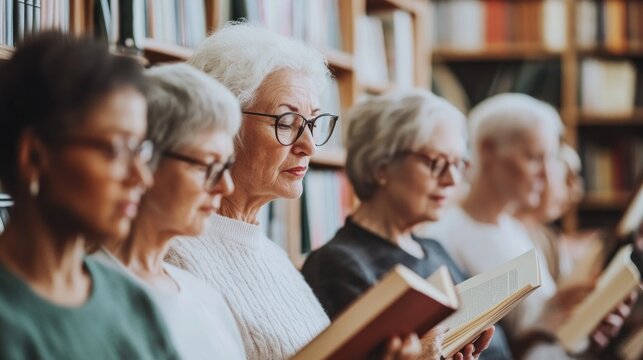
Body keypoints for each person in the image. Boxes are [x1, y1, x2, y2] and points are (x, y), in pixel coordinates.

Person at [165, 23, 421, 359]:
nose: (309, 146)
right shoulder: (171, 255)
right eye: (286, 123)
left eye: (313, 123)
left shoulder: (274, 255)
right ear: (221, 124)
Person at [0, 32, 178, 359]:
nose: (143, 177)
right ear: (35, 157)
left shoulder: (131, 301)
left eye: (140, 149)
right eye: (116, 148)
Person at [301, 89, 512, 360]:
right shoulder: (336, 265)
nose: (451, 180)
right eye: (436, 162)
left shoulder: (434, 249)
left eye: (458, 164)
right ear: (381, 165)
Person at [422, 93, 634, 359]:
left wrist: (583, 329)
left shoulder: (517, 229)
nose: (546, 176)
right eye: (534, 158)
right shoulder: (444, 238)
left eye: (550, 159)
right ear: (488, 149)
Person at [92, 63, 246, 359]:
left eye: (226, 166)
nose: (225, 186)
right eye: (208, 165)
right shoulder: (80, 294)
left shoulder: (207, 298)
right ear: (144, 159)